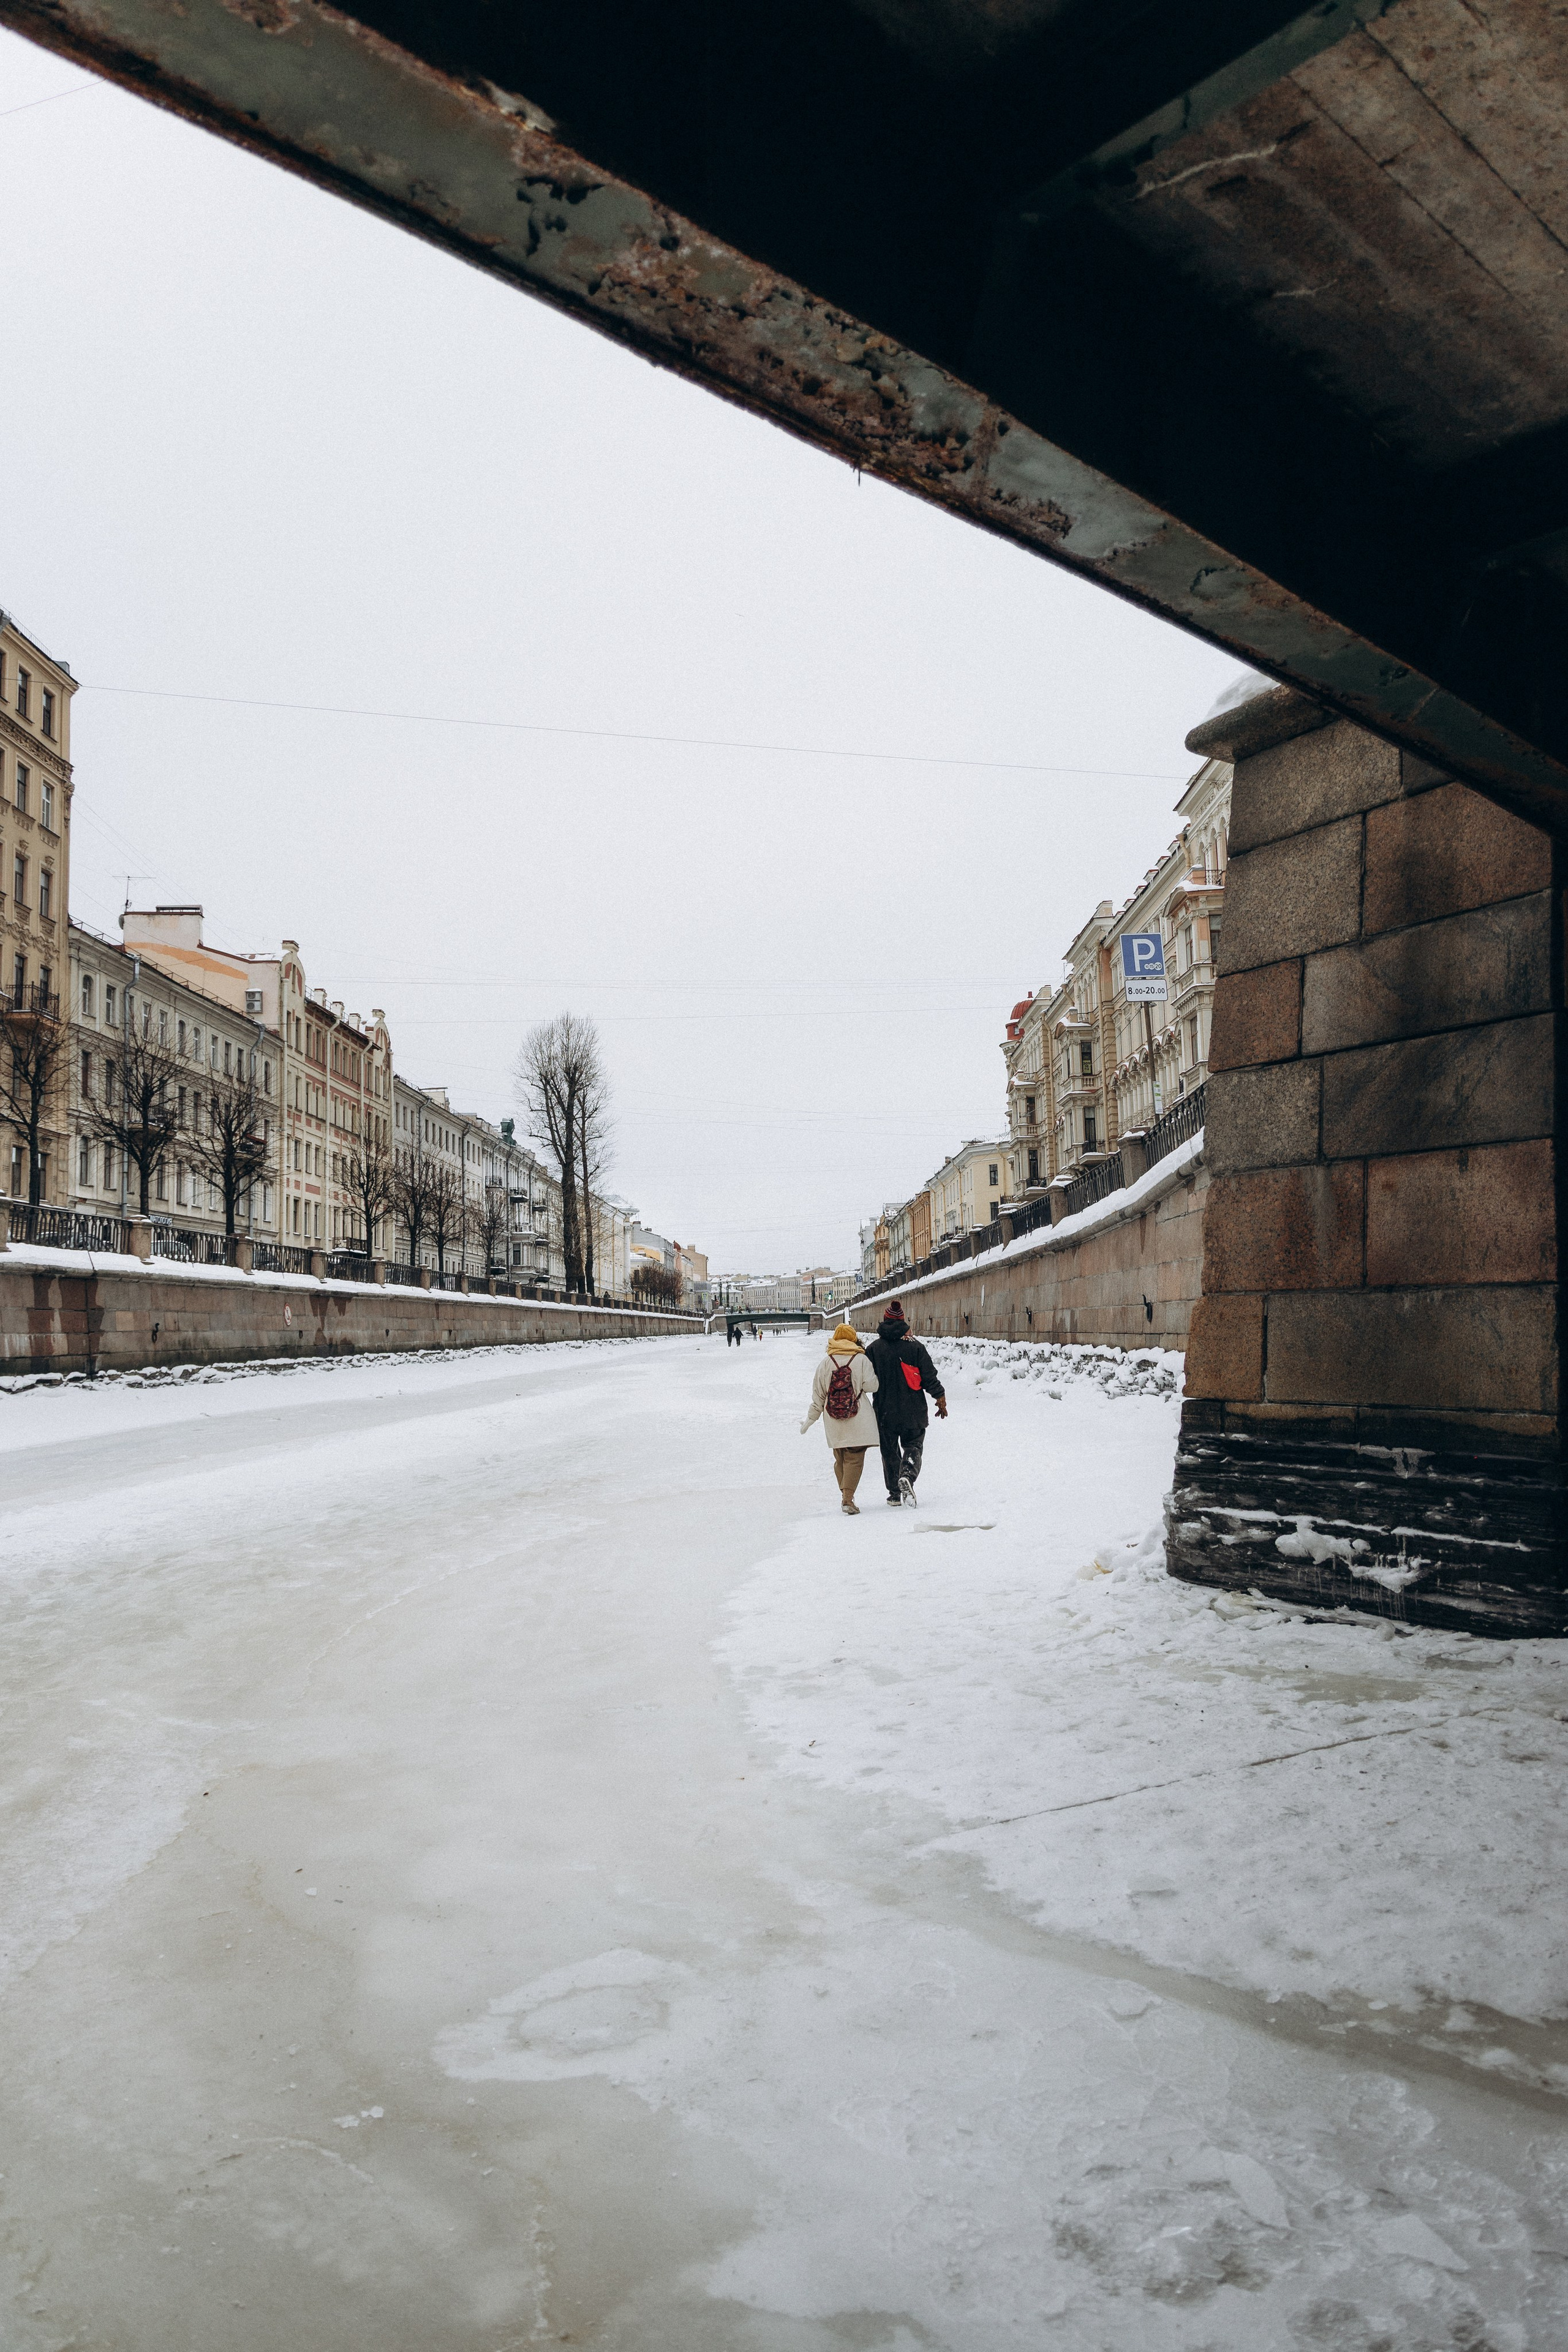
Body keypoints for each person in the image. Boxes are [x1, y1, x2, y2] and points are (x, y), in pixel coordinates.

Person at [866, 1301, 946, 1506]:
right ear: (903, 1321)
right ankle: (907, 1476)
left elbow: (864, 1380)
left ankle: (894, 1492)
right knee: (914, 1445)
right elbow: (929, 1377)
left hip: (885, 1410)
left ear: (884, 1321)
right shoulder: (915, 1347)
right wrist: (940, 1397)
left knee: (890, 1450)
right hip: (914, 1409)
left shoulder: (874, 1350)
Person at [799, 1321, 880, 1515]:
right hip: (857, 1417)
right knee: (855, 1457)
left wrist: (811, 1419)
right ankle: (848, 1498)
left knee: (841, 1458)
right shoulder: (861, 1360)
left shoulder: (826, 1363)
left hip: (833, 1418)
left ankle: (846, 1494)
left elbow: (818, 1395)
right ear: (854, 1340)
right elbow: (872, 1386)